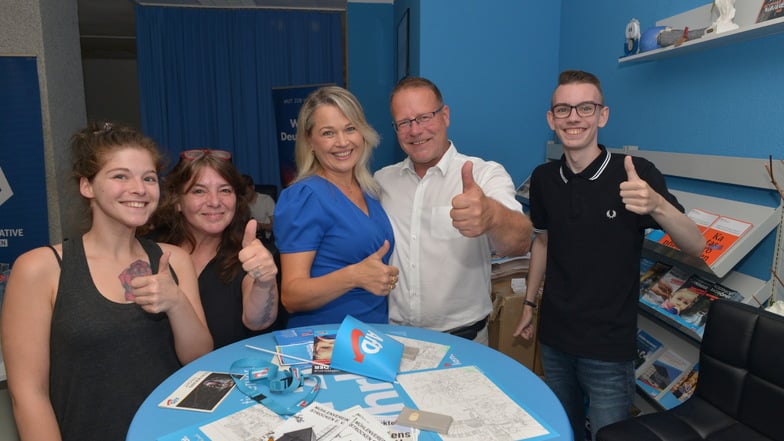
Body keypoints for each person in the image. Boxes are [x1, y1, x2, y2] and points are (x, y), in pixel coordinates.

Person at [512, 70, 706, 440]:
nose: (574, 117)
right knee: (563, 430)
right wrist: (529, 305)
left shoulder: (636, 174)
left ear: (602, 115)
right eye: (563, 109)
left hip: (608, 349)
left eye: (585, 107)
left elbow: (696, 245)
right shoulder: (543, 178)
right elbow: (543, 242)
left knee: (609, 435)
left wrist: (658, 204)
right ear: (551, 119)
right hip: (554, 339)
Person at [0, 122, 213, 441]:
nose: (139, 189)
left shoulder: (173, 260)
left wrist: (176, 302)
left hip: (174, 433)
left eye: (149, 178)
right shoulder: (40, 269)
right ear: (87, 186)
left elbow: (199, 361)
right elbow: (29, 395)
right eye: (120, 176)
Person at [374, 76, 532, 344]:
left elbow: (520, 241)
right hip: (393, 341)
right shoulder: (381, 182)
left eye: (424, 117)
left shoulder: (484, 174)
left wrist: (491, 216)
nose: (415, 130)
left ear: (445, 116)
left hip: (463, 343)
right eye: (404, 122)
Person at [273, 86, 398, 328]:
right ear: (310, 141)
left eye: (350, 129)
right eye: (328, 133)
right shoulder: (304, 197)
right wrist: (354, 276)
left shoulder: (369, 191)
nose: (342, 142)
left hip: (371, 340)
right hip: (324, 346)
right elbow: (291, 296)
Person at [147, 149, 279, 348]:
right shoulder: (150, 250)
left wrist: (265, 281)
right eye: (199, 191)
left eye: (225, 190)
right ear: (177, 201)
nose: (215, 202)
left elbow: (258, 322)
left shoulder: (248, 254)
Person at [241, 174, 276, 243]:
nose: (245, 197)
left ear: (253, 187)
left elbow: (276, 226)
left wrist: (260, 226)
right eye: (242, 194)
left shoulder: (266, 200)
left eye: (246, 193)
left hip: (264, 239)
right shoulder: (241, 202)